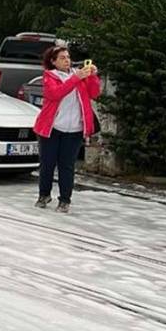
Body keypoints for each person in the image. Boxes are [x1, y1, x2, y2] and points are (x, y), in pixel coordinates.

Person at [33, 46, 102, 213]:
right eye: (62, 57)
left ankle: (65, 200)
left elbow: (94, 93)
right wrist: (76, 78)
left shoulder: (78, 75)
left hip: (74, 130)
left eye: (68, 57)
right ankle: (44, 194)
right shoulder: (50, 76)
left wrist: (92, 76)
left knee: (67, 166)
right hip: (53, 128)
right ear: (53, 61)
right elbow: (56, 94)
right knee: (47, 164)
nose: (67, 60)